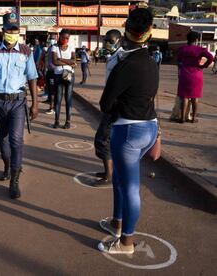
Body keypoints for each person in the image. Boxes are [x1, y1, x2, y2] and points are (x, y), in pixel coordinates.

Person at [98, 8, 159, 255]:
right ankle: (117, 222)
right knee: (123, 181)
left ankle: (126, 243)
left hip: (127, 131)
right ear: (150, 32)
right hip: (149, 127)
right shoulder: (152, 61)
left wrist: (118, 106)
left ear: (126, 30)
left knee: (130, 186)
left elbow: (105, 103)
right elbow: (151, 100)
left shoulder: (125, 64)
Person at [0, 12, 38, 199]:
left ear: (19, 31)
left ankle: (14, 180)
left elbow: (32, 78)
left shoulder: (26, 52)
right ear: (3, 30)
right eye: (9, 29)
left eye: (15, 29)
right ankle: (7, 165)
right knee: (2, 139)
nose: (12, 32)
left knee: (16, 140)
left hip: (18, 102)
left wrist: (35, 104)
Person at [93, 29, 124, 187]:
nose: (107, 43)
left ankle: (109, 176)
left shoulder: (121, 56)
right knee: (106, 139)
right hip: (110, 103)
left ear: (119, 40)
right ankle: (107, 171)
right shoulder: (112, 56)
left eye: (110, 41)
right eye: (105, 40)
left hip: (116, 106)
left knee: (103, 140)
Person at [177, 31, 213, 124]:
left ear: (187, 39)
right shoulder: (201, 50)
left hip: (184, 74)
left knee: (184, 97)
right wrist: (203, 66)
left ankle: (182, 118)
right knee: (195, 97)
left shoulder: (182, 49)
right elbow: (211, 58)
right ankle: (193, 118)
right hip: (196, 75)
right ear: (196, 40)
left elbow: (178, 60)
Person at [51, 29, 76, 129]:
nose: (65, 39)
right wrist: (69, 62)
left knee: (68, 99)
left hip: (69, 75)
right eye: (63, 37)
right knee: (58, 99)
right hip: (58, 75)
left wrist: (60, 59)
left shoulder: (71, 47)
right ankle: (56, 121)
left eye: (67, 38)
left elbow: (74, 60)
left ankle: (68, 121)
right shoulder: (54, 47)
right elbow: (54, 62)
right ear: (59, 36)